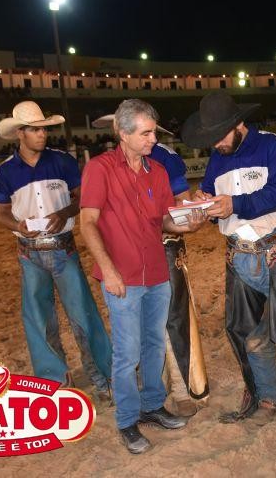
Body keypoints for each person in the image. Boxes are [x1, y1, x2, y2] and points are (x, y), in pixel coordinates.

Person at [181, 91, 276, 451]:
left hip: (273, 252)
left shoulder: (272, 146)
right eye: (211, 138)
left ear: (238, 125)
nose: (216, 144)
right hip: (237, 254)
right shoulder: (216, 159)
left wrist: (234, 203)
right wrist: (200, 206)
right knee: (243, 331)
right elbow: (210, 198)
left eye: (220, 135)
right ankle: (269, 396)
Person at [79, 99, 207, 455]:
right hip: (121, 277)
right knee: (126, 353)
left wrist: (190, 224)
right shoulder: (100, 169)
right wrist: (107, 270)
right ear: (123, 134)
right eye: (146, 133)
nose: (154, 139)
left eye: (154, 131)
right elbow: (87, 223)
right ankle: (127, 420)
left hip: (157, 274)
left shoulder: (158, 173)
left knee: (153, 344)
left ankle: (152, 406)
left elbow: (164, 221)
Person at [0, 100, 112, 401]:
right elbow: (1, 212)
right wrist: (18, 226)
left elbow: (82, 198)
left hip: (62, 247)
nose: (42, 135)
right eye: (34, 130)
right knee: (38, 319)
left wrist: (65, 212)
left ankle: (104, 376)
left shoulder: (63, 161)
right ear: (20, 133)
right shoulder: (5, 172)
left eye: (43, 129)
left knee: (82, 314)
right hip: (29, 251)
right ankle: (54, 382)